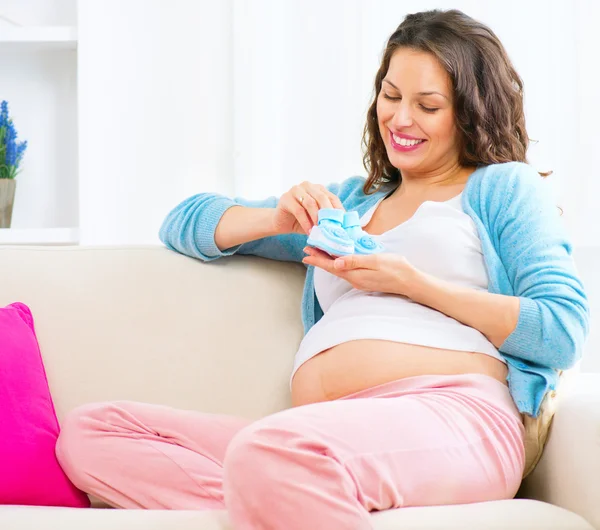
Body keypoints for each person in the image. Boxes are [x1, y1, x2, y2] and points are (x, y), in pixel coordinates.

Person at [55, 9, 589, 529]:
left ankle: (281, 479)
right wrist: (277, 218)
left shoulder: (502, 188)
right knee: (91, 433)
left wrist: (412, 283)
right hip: (322, 436)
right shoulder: (349, 205)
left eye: (428, 105)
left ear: (469, 111)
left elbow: (562, 330)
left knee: (270, 452)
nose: (400, 120)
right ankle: (287, 491)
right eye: (391, 95)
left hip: (457, 415)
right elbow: (183, 222)